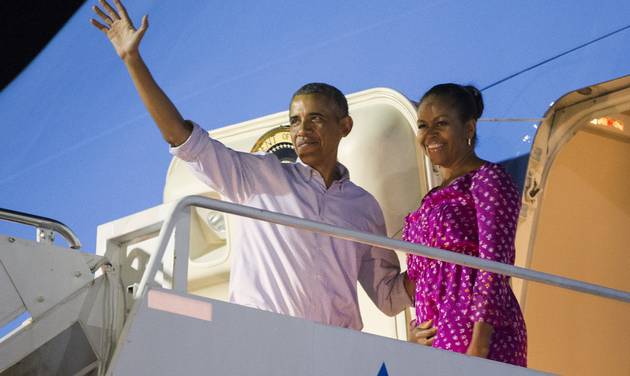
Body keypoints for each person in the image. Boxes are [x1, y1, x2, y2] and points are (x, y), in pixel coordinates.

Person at [90, 0, 414, 331]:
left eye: (315, 118)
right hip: (261, 345)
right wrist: (133, 61)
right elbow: (182, 138)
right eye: (295, 121)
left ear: (344, 126)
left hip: (336, 354)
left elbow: (389, 298)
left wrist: (451, 261)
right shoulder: (259, 177)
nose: (302, 130)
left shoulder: (363, 207)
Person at [404, 83, 527, 366]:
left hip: (477, 335)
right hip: (433, 337)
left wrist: (479, 346)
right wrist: (415, 331)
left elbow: (495, 265)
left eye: (442, 123)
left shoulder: (488, 179)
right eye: (423, 125)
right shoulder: (430, 199)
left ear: (469, 128)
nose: (430, 134)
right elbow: (420, 277)